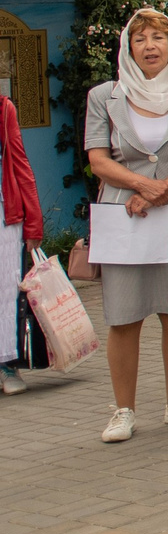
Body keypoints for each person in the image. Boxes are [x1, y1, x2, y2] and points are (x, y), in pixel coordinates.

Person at [85, 9, 168, 443]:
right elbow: (98, 159)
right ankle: (123, 410)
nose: (150, 46)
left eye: (158, 37)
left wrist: (161, 190)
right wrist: (142, 185)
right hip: (125, 211)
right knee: (124, 314)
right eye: (140, 38)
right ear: (128, 47)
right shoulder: (105, 95)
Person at [3, 91, 44, 392]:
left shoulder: (4, 110)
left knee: (5, 291)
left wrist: (33, 223)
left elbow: (20, 165)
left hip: (5, 215)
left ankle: (7, 367)